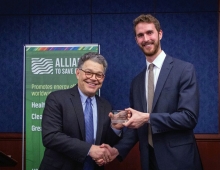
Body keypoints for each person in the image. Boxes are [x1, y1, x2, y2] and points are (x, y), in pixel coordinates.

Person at [106, 14, 203, 170]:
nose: (146, 39)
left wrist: (147, 117)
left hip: (179, 161)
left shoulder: (184, 70)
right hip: (149, 160)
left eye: (150, 32)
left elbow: (189, 118)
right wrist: (117, 150)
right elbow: (136, 127)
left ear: (160, 34)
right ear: (136, 40)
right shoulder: (136, 82)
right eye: (140, 35)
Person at [39, 52, 122, 170]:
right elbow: (51, 137)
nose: (93, 78)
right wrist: (89, 149)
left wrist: (115, 128)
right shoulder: (56, 99)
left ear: (103, 78)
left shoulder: (106, 105)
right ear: (78, 73)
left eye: (99, 75)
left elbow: (104, 143)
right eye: (88, 73)